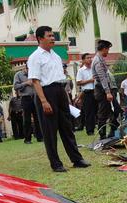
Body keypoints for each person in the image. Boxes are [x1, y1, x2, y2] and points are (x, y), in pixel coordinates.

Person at [27, 26, 90, 172]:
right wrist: (43, 101)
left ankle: (77, 159)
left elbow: (60, 78)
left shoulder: (55, 55)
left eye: (53, 35)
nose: (52, 38)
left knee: (67, 127)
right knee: (50, 130)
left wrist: (66, 98)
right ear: (40, 38)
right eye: (49, 36)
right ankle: (56, 163)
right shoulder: (35, 57)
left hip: (60, 91)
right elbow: (35, 81)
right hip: (46, 93)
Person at [13, 64, 43, 144]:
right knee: (27, 119)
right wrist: (26, 83)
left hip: (35, 97)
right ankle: (27, 139)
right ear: (25, 68)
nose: (30, 71)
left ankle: (40, 137)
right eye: (28, 69)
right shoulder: (18, 75)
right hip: (25, 98)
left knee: (38, 118)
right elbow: (15, 86)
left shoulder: (34, 74)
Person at [76, 53, 96, 135]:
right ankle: (90, 130)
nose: (90, 59)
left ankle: (97, 128)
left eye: (90, 57)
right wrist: (89, 80)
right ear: (83, 60)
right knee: (89, 112)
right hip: (87, 93)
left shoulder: (94, 68)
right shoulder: (81, 70)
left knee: (97, 111)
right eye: (88, 58)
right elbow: (78, 82)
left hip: (96, 91)